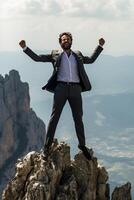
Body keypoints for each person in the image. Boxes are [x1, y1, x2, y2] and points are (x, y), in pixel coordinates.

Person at [19, 32, 105, 160]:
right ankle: (47, 148)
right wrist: (25, 48)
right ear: (60, 42)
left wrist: (99, 46)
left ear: (71, 41)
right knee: (54, 118)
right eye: (63, 39)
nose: (66, 41)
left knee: (78, 118)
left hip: (76, 89)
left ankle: (82, 145)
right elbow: (38, 58)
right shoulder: (55, 54)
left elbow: (91, 60)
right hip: (61, 88)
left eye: (68, 39)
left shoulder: (78, 55)